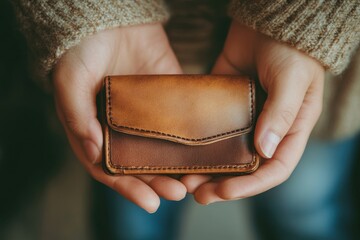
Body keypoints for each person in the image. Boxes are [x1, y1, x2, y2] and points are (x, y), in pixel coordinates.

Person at [12, 0, 360, 239]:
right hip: (118, 67)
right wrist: (81, 12)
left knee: (305, 214)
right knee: (132, 223)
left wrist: (304, 15)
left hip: (306, 84)